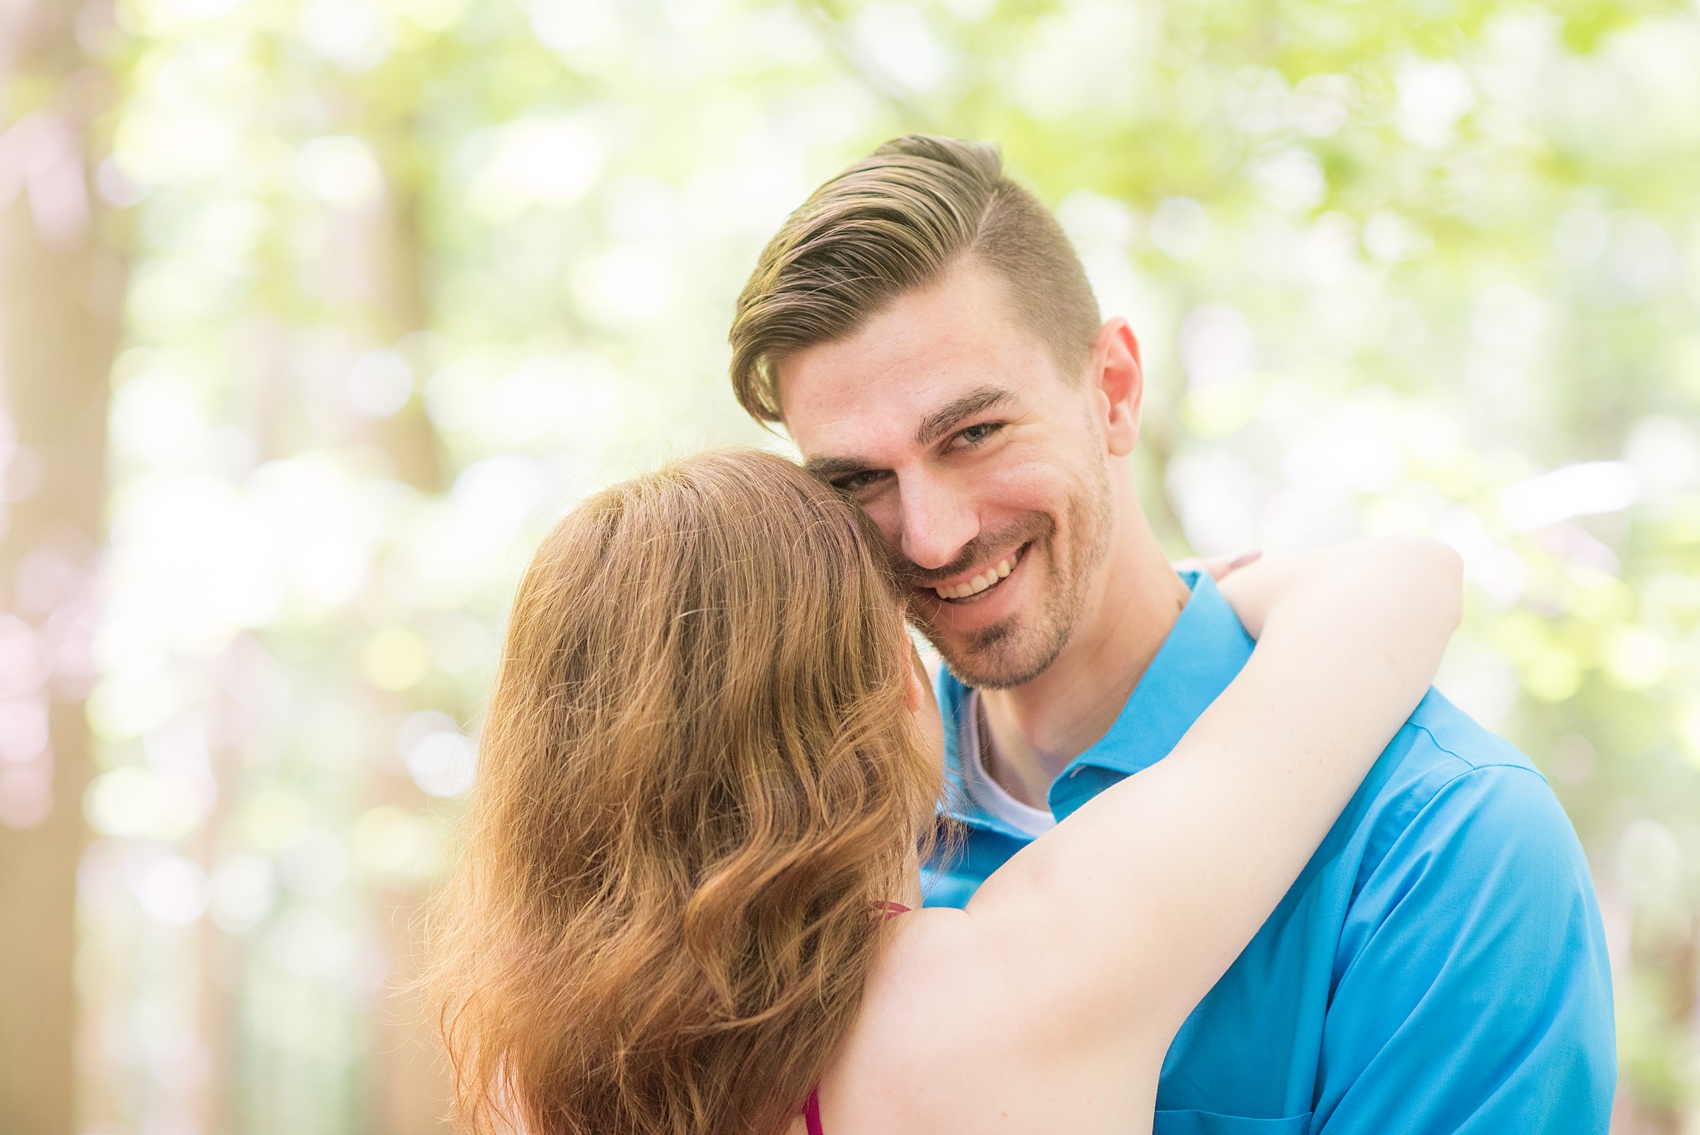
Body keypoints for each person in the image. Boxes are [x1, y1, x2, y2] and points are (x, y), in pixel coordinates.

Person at [726, 135, 1615, 1133]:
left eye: (973, 433)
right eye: (856, 481)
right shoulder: (788, 867)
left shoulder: (1436, 844)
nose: (932, 535)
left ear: (1111, 389)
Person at [426, 446, 1463, 1135]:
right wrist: (1174, 587)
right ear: (889, 692)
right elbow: (1400, 581)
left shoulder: (530, 1074)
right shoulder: (1015, 981)